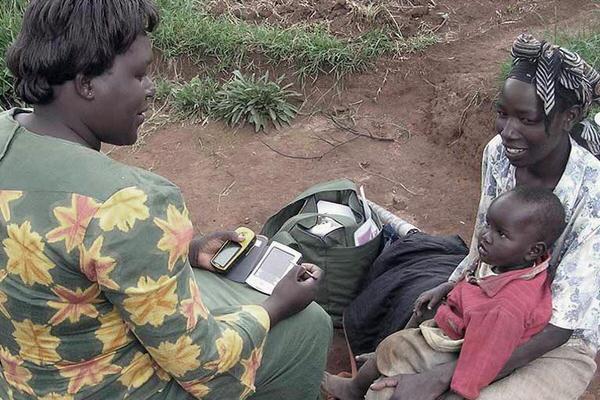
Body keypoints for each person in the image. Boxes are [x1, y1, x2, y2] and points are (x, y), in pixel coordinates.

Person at [0, 1, 332, 399]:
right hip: (112, 388)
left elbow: (52, 256)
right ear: (86, 83)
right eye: (139, 74)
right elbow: (204, 364)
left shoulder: (7, 134)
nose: (151, 88)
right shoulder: (131, 202)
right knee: (307, 325)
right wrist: (278, 305)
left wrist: (185, 251)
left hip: (23, 376)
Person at [343, 33, 600, 400]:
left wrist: (448, 376)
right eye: (502, 113)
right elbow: (486, 236)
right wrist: (455, 282)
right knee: (389, 387)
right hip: (487, 310)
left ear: (568, 117)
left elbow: (562, 325)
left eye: (526, 119)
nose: (508, 132)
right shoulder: (499, 154)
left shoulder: (594, 192)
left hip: (554, 342)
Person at [324, 186, 565, 400]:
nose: (486, 236)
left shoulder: (505, 309)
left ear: (534, 250)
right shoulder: (511, 262)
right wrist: (448, 287)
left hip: (461, 346)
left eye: (501, 234)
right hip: (461, 328)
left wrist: (453, 393)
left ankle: (359, 388)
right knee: (391, 346)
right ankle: (357, 386)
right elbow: (477, 283)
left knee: (391, 367)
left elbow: (483, 362)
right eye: (488, 224)